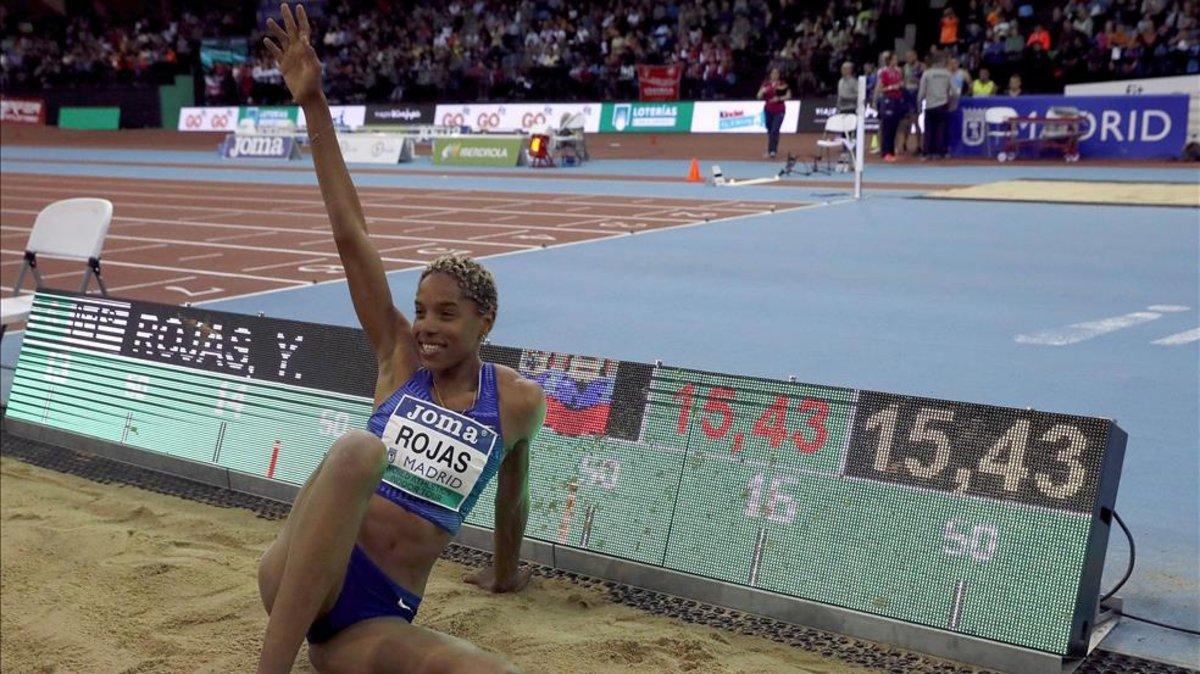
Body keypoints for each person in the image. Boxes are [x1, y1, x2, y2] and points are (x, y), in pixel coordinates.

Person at [257, 6, 545, 673]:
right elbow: (350, 235)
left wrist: (505, 576)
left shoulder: (519, 402)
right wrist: (314, 104)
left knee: (497, 672)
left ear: (484, 324)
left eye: (446, 314)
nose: (427, 326)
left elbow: (513, 497)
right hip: (301, 574)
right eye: (420, 310)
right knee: (359, 449)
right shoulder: (397, 355)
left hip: (372, 618)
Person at [917, 52, 959, 159]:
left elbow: (921, 92)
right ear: (942, 62)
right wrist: (953, 105)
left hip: (930, 105)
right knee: (942, 129)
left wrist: (919, 106)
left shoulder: (927, 73)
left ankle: (927, 153)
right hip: (943, 104)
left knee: (929, 130)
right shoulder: (948, 73)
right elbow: (955, 92)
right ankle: (942, 153)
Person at [875, 51, 904, 161]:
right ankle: (885, 152)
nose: (896, 61)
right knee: (886, 127)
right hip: (887, 101)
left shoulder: (898, 71)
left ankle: (891, 152)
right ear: (889, 61)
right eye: (894, 59)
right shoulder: (884, 72)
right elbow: (880, 89)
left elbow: (900, 83)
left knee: (894, 126)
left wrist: (900, 86)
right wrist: (892, 87)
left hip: (897, 100)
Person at [756, 67, 790, 158]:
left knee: (775, 129)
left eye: (776, 73)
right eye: (773, 73)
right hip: (768, 110)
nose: (775, 75)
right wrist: (762, 92)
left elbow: (788, 95)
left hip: (779, 110)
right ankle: (771, 147)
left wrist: (778, 99)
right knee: (770, 129)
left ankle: (772, 150)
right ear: (770, 75)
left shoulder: (782, 84)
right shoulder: (766, 84)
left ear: (778, 75)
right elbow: (758, 96)